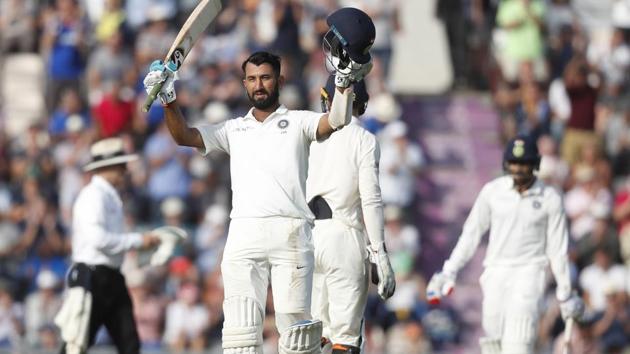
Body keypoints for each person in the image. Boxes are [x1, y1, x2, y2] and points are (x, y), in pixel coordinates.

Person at [143, 8, 375, 352]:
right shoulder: (233, 129)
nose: (258, 85)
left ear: (279, 81)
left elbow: (335, 121)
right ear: (244, 84)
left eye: (266, 78)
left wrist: (342, 82)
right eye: (252, 79)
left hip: (291, 231)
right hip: (244, 232)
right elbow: (185, 137)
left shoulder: (299, 122)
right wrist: (168, 100)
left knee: (297, 333)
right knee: (239, 334)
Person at [426, 135, 584, 354]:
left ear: (535, 164)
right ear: (506, 164)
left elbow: (558, 250)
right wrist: (449, 271)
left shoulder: (550, 198)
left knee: (518, 340)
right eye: (514, 163)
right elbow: (471, 235)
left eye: (524, 164)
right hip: (496, 271)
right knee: (494, 339)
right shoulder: (493, 192)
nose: (518, 169)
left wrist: (565, 292)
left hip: (530, 271)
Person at [307, 77, 396, 354]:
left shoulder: (307, 134)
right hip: (344, 236)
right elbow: (371, 199)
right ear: (364, 105)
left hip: (307, 239)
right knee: (345, 340)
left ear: (326, 99)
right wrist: (379, 253)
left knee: (312, 338)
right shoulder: (364, 139)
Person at [56, 137, 162, 354]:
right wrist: (139, 241)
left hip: (110, 275)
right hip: (91, 277)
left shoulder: (109, 197)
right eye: (121, 165)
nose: (125, 170)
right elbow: (98, 240)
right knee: (75, 344)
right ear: (109, 167)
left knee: (130, 344)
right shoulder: (92, 196)